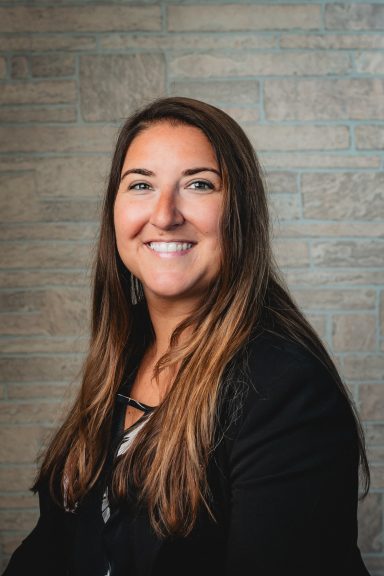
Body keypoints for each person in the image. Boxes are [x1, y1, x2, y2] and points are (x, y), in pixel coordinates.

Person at [3, 96, 370, 576]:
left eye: (199, 184)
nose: (165, 213)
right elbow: (52, 550)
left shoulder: (285, 388)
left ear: (240, 213)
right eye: (140, 185)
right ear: (114, 210)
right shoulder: (125, 355)